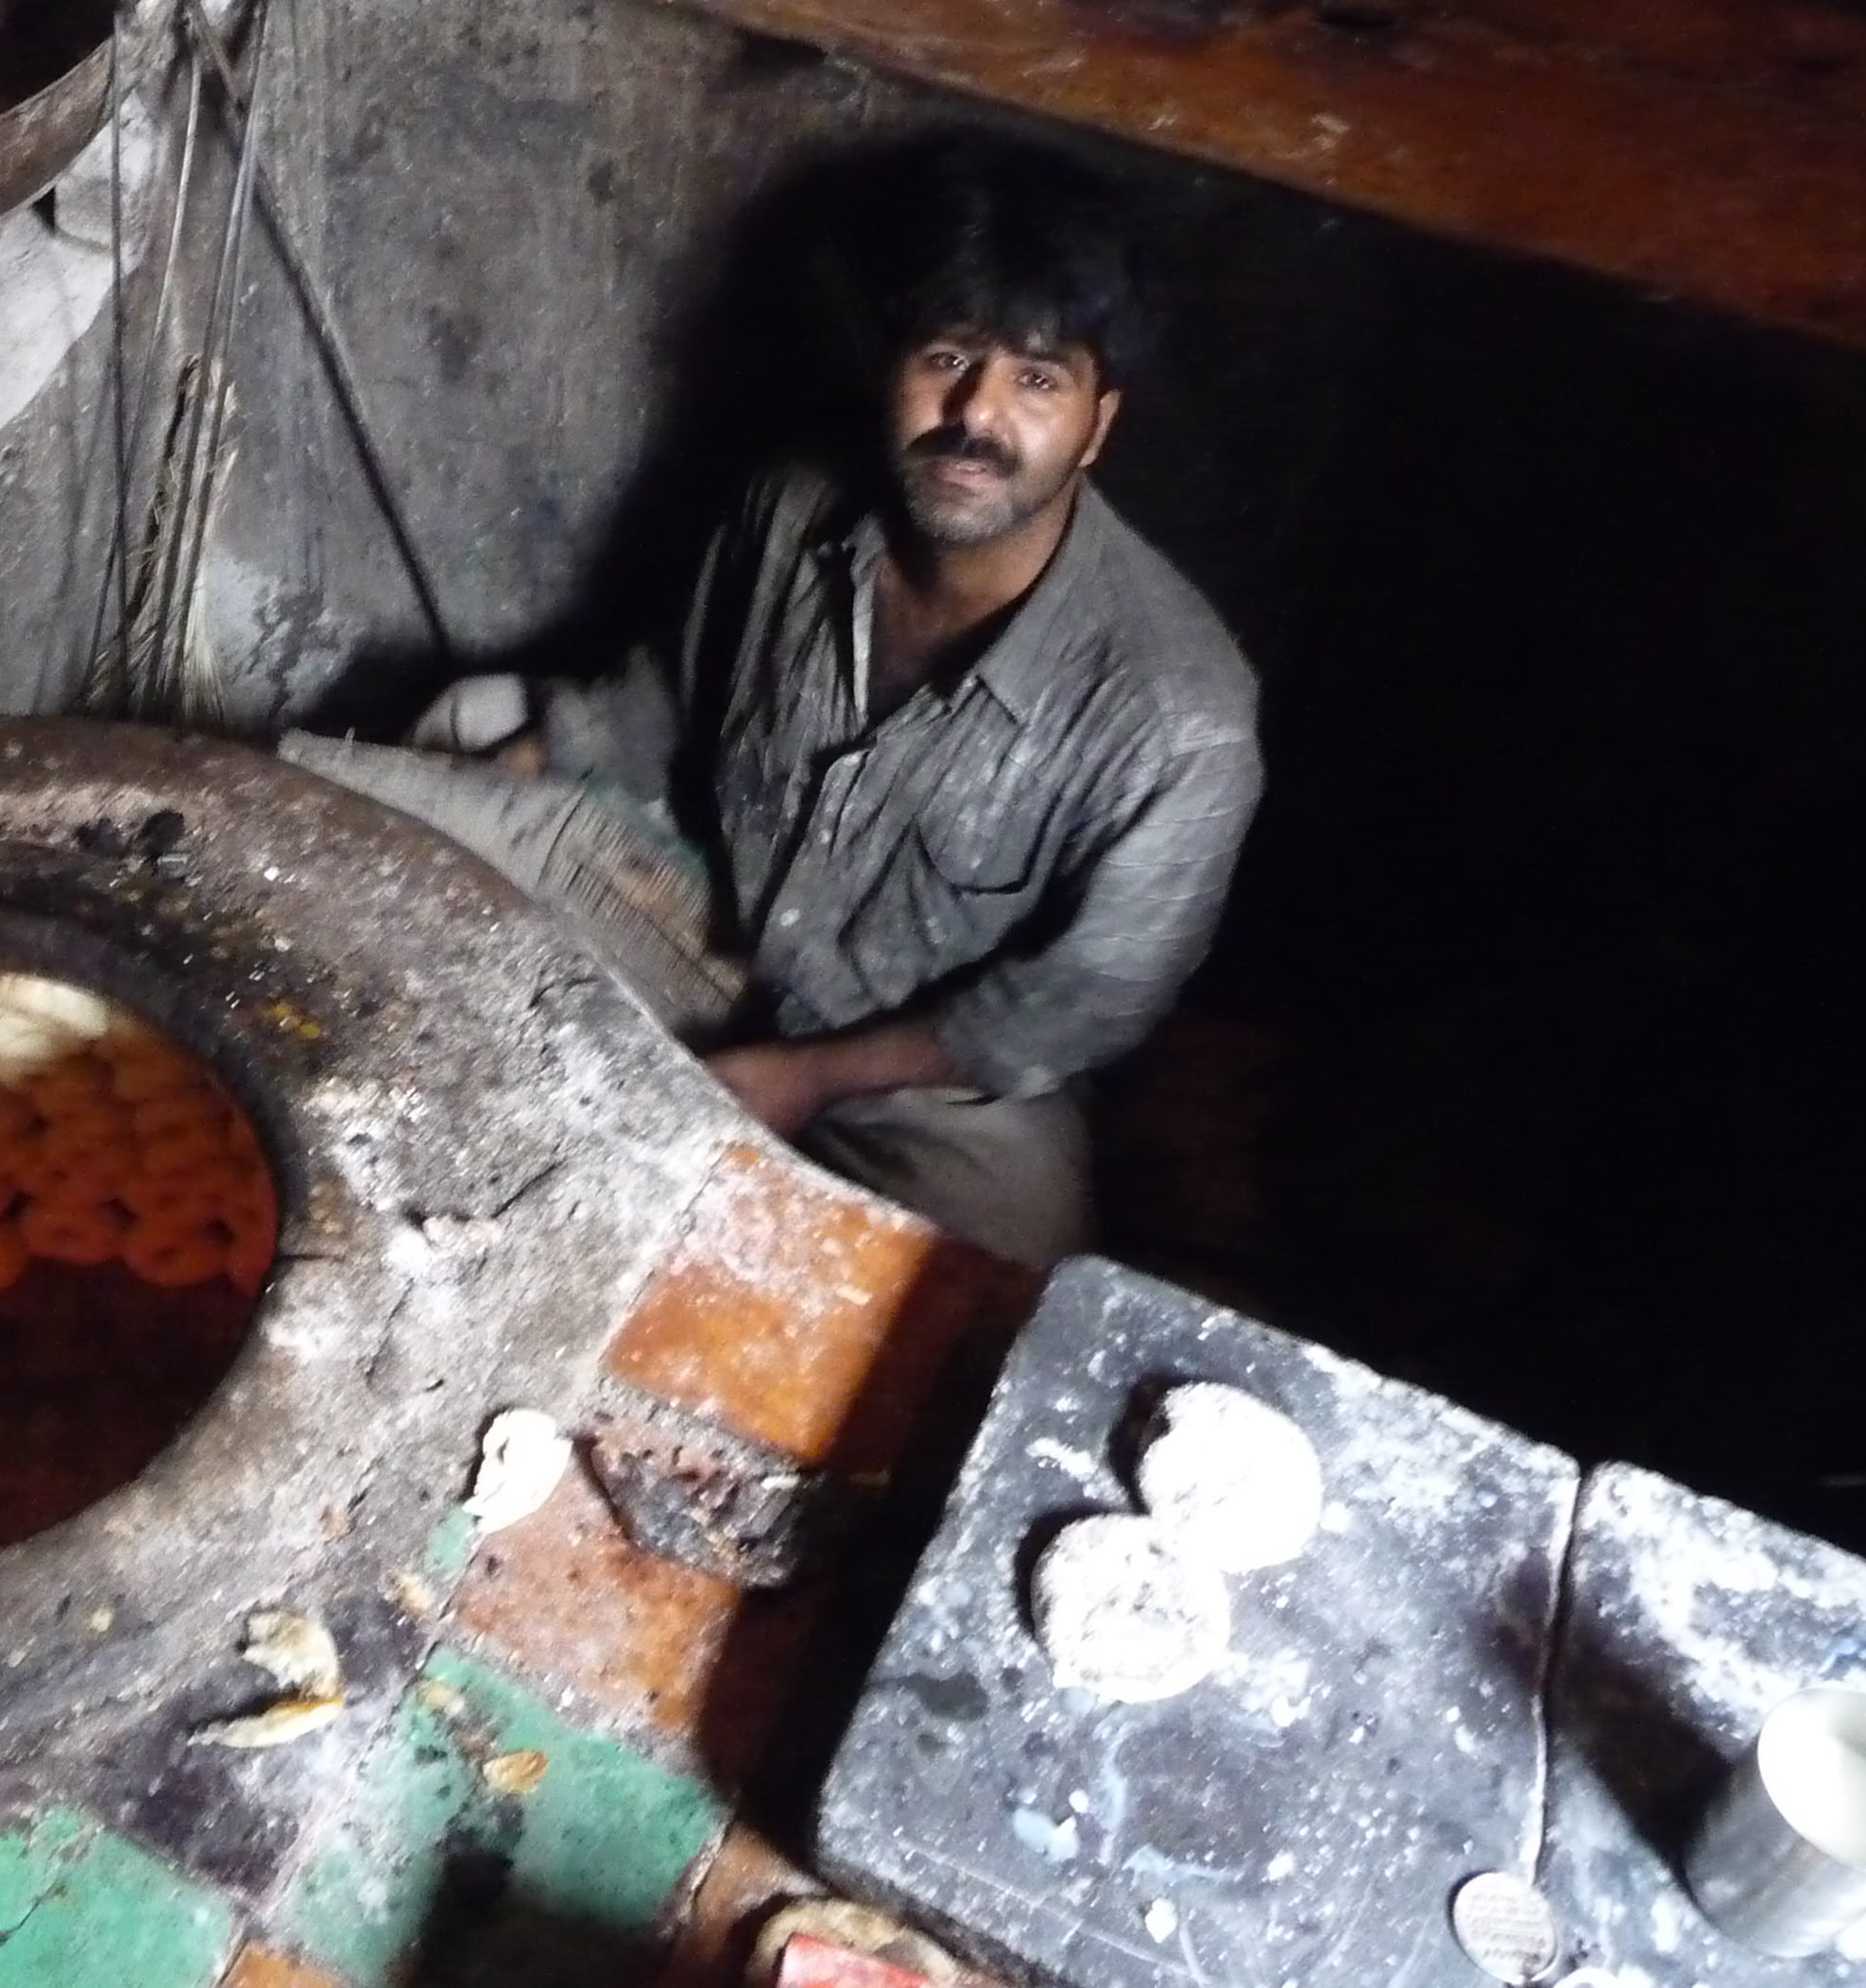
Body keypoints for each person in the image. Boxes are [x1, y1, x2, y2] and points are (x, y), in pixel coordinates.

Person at [290, 144, 1261, 1265]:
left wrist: (809, 1076)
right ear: (893, 365)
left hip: (919, 1072)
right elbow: (666, 698)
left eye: (1036, 381)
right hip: (694, 917)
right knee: (417, 758)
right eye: (948, 358)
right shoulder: (794, 504)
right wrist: (495, 785)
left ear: (1096, 425)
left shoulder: (1178, 720)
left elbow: (1078, 1003)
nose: (975, 416)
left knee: (997, 1285)